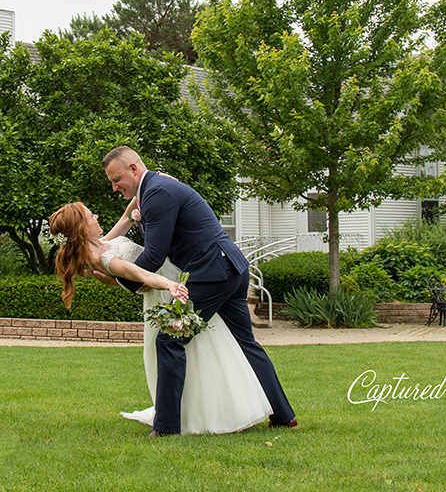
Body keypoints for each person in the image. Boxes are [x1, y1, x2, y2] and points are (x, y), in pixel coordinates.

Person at [102, 145, 298, 436]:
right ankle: (284, 416)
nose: (116, 187)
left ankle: (167, 427)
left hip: (212, 272)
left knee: (169, 337)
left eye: (117, 180)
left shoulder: (157, 192)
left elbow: (155, 256)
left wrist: (122, 280)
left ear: (133, 168)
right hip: (231, 268)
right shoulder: (154, 188)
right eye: (112, 183)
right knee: (246, 343)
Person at [47, 200, 273, 434]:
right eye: (90, 215)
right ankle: (193, 414)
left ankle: (197, 411)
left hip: (171, 278)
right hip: (164, 292)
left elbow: (125, 219)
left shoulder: (100, 244)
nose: (96, 216)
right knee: (188, 348)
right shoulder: (101, 258)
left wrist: (147, 187)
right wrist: (168, 284)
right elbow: (139, 274)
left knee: (203, 345)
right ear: (83, 229)